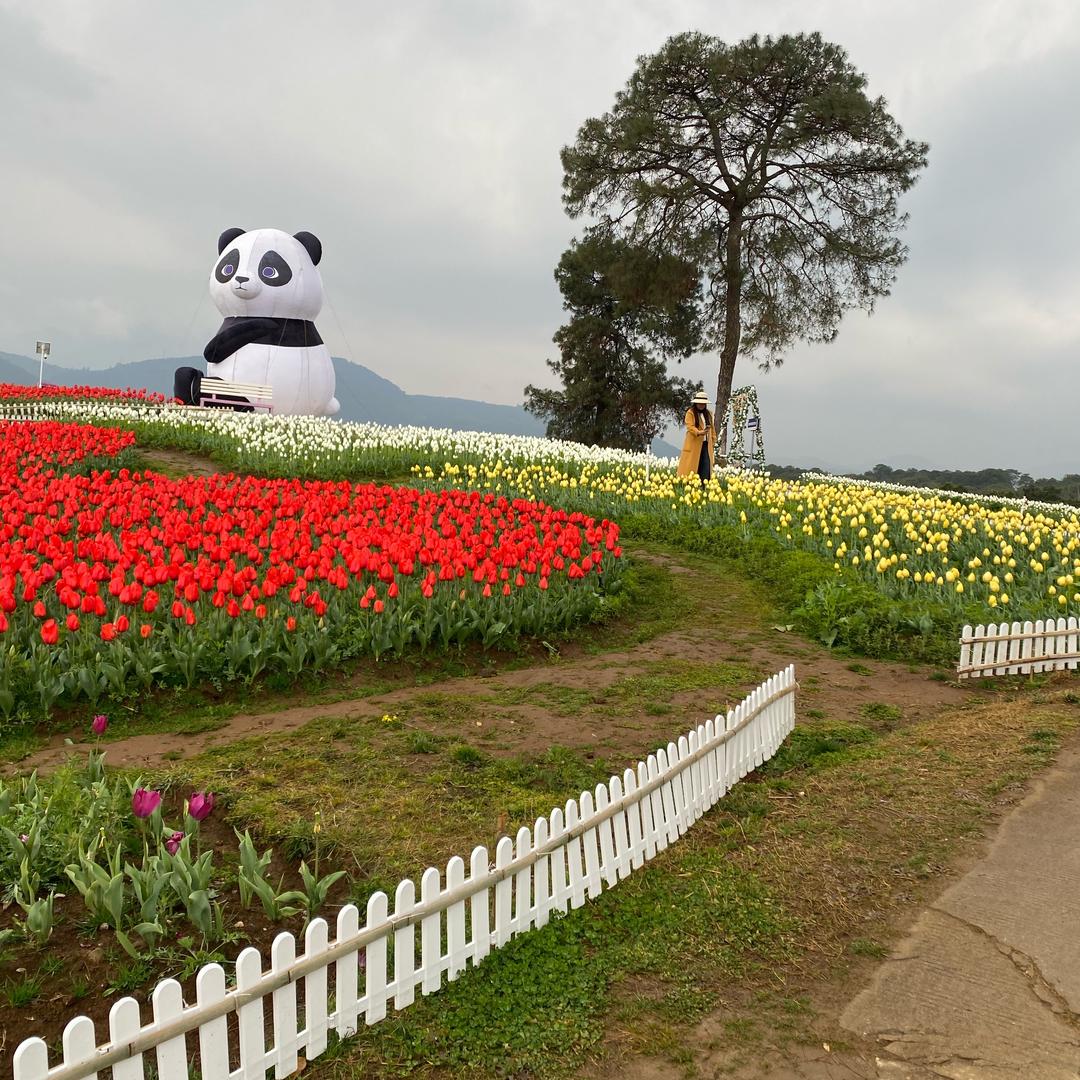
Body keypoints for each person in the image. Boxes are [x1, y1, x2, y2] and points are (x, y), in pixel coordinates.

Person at [677, 391, 717, 481]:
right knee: (692, 467)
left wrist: (713, 439)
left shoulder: (709, 414)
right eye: (699, 403)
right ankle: (690, 486)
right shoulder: (690, 413)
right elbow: (690, 427)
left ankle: (703, 486)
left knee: (706, 467)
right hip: (694, 445)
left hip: (706, 445)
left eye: (703, 404)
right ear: (696, 403)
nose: (701, 405)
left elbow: (712, 428)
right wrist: (699, 432)